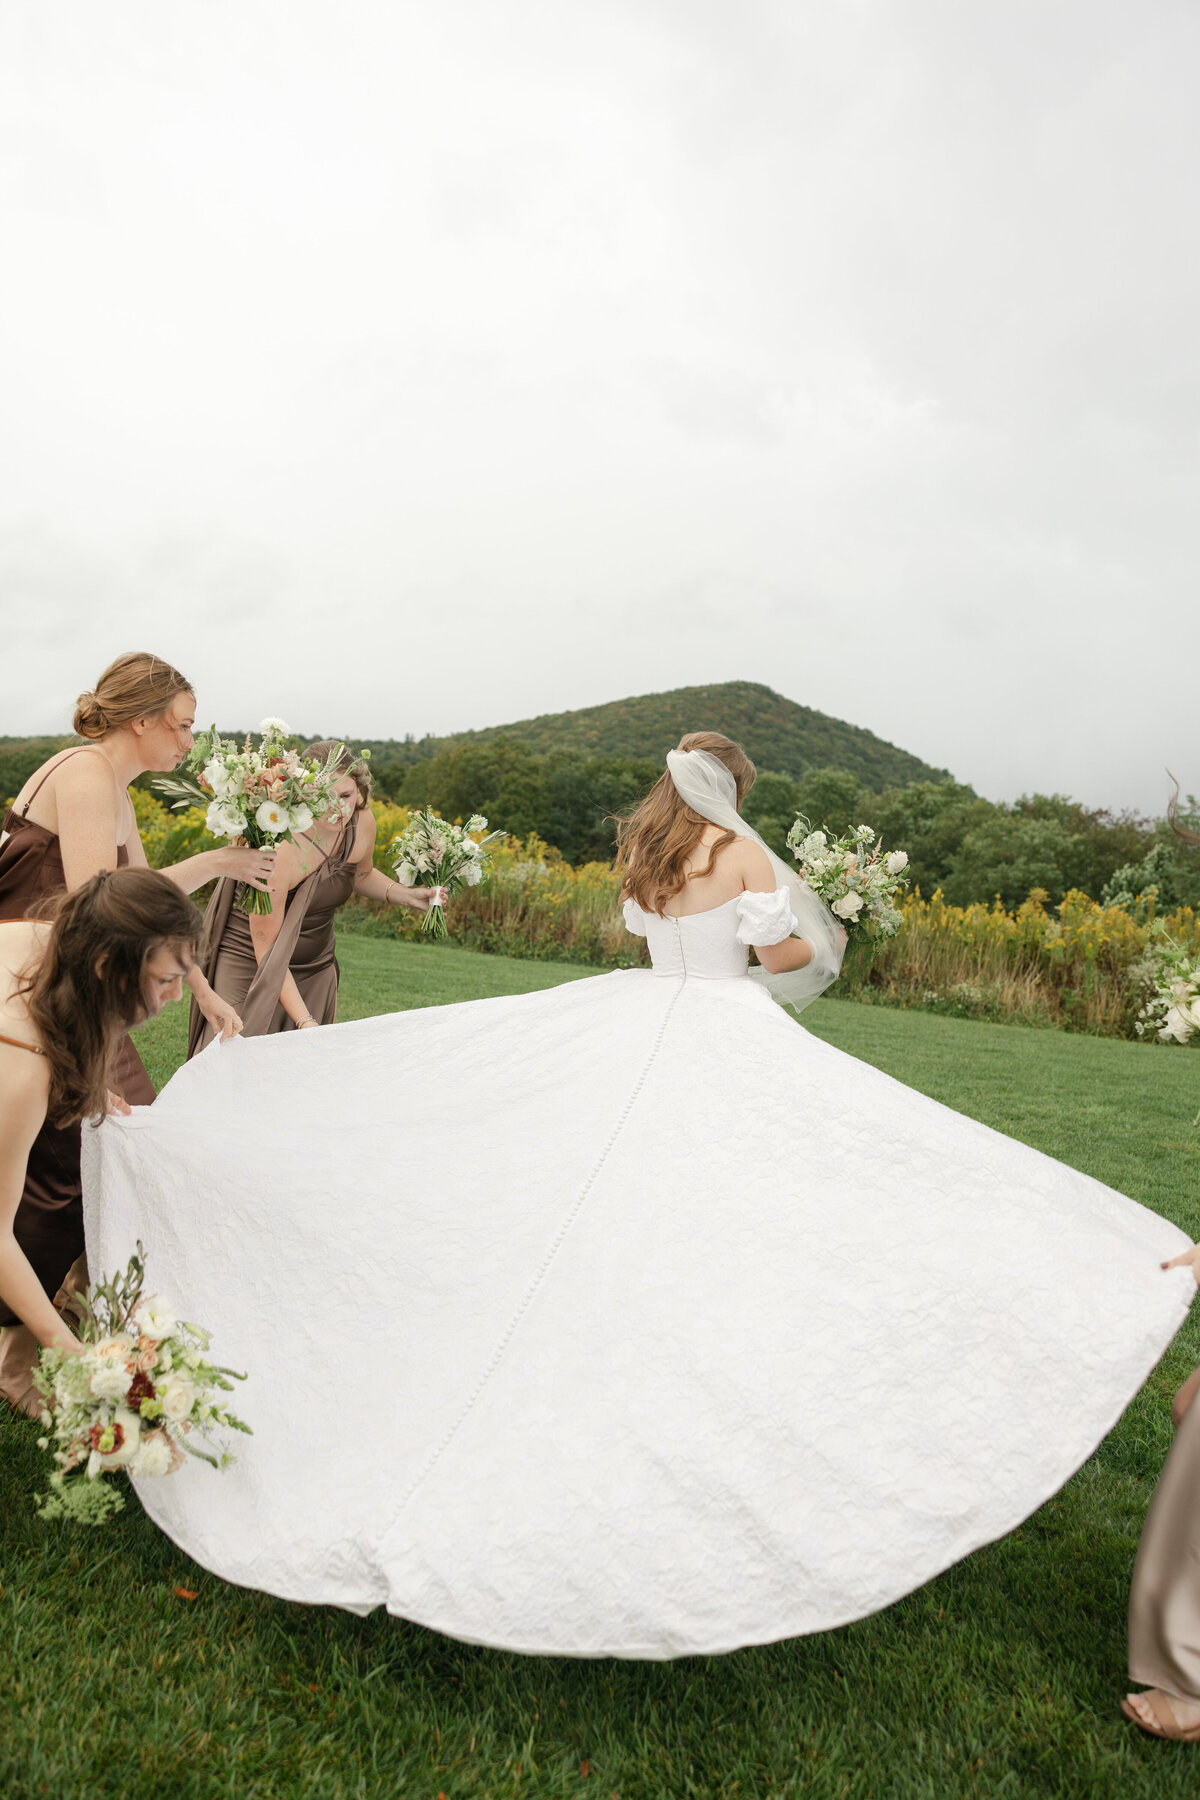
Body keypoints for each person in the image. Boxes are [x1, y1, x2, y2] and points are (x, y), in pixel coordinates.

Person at [86, 734, 1194, 1658]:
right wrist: (817, 925)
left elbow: (653, 940)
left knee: (590, 1183)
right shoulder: (738, 851)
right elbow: (784, 960)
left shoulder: (647, 848)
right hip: (716, 1033)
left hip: (633, 1019)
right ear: (733, 788)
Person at [0, 653, 254, 1408]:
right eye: (180, 726)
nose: (187, 743)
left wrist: (200, 986)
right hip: (50, 988)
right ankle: (34, 1350)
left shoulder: (118, 792)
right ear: (140, 719)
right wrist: (216, 859)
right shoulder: (82, 775)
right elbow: (98, 906)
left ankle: (83, 1319)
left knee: (113, 1146)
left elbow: (146, 910)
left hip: (87, 980)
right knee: (73, 1162)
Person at [0, 871, 202, 1393]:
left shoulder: (55, 943)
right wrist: (65, 1347)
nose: (179, 996)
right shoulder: (22, 1070)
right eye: (164, 980)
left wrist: (89, 1087)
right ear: (107, 967)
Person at [187, 743, 443, 1054]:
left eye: (346, 796)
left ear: (360, 792)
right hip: (250, 960)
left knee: (303, 1076)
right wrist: (304, 1019)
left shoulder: (362, 824)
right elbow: (267, 947)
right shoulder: (282, 847)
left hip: (315, 964)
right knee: (233, 1061)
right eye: (325, 797)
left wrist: (406, 895)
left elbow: (360, 875)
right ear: (303, 793)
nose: (338, 808)